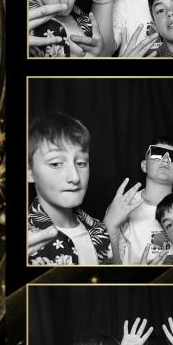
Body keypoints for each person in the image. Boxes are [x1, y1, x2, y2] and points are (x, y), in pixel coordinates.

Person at [27, 112, 114, 265]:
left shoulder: (100, 229)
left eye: (81, 163)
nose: (75, 177)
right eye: (55, 164)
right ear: (29, 172)